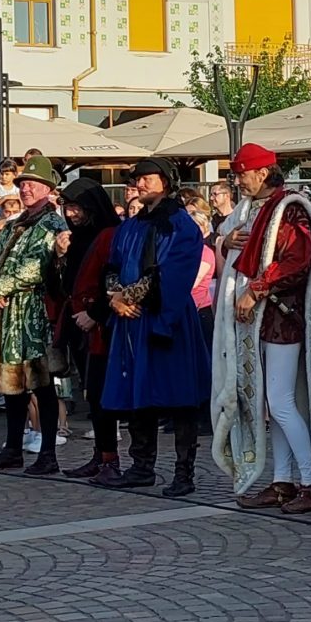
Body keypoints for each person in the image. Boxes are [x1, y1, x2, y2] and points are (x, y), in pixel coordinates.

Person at [213, 142, 311, 514]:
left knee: (280, 402)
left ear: (263, 172)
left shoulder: (290, 206)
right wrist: (224, 241)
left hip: (285, 314)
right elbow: (231, 244)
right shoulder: (254, 208)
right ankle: (282, 481)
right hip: (263, 318)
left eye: (242, 173)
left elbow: (297, 259)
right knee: (271, 402)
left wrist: (257, 289)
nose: (238, 181)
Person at [99, 158, 211, 496]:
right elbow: (112, 265)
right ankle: (141, 466)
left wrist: (126, 298)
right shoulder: (130, 226)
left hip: (168, 316)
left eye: (148, 178)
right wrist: (114, 297)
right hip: (132, 321)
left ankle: (183, 473)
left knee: (180, 398)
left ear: (166, 181)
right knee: (138, 393)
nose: (141, 183)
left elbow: (172, 273)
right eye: (138, 179)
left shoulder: (180, 224)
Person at [0, 157, 66, 475]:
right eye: (22, 183)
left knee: (42, 385)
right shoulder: (14, 224)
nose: (25, 188)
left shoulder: (52, 224)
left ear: (47, 189)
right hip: (8, 317)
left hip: (36, 316)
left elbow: (35, 268)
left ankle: (48, 453)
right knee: (11, 385)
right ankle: (13, 448)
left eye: (32, 184)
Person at [55, 177, 126, 480]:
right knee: (92, 394)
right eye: (67, 208)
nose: (71, 214)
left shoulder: (109, 235)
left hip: (104, 325)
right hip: (80, 324)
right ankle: (100, 454)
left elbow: (113, 280)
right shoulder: (77, 238)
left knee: (102, 394)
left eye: (75, 207)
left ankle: (111, 459)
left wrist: (95, 313)